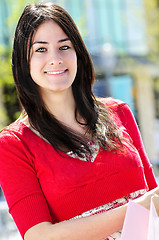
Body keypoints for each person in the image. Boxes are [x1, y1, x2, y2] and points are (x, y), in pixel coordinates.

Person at [0, 2, 158, 240]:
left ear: (78, 54)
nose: (55, 59)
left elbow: (152, 196)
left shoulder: (120, 113)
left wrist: (148, 205)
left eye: (64, 46)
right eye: (40, 50)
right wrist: (134, 210)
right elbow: (39, 236)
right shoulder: (14, 145)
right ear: (24, 62)